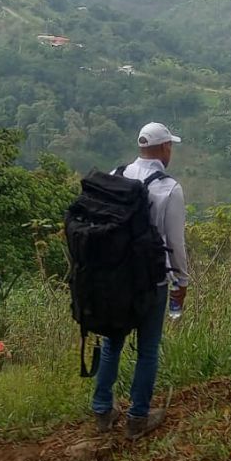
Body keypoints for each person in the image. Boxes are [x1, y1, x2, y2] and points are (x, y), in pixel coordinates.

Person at [92, 122, 190, 439]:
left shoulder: (116, 174)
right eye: (170, 146)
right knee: (148, 350)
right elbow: (175, 243)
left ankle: (102, 410)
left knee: (112, 344)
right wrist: (181, 282)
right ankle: (137, 418)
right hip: (152, 281)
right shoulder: (169, 188)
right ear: (164, 148)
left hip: (115, 280)